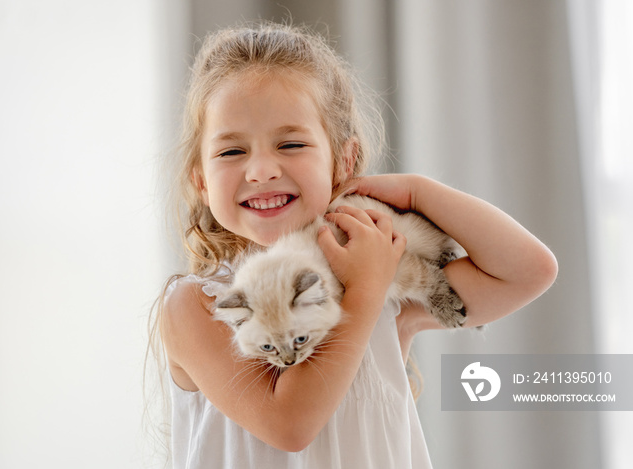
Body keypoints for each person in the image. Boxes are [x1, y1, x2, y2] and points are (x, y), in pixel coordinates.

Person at [153, 22, 558, 468]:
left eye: (290, 143)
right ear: (201, 182)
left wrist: (418, 192)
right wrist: (365, 289)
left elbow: (528, 271)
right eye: (232, 152)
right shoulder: (199, 307)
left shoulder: (378, 282)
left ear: (343, 161)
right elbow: (290, 426)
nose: (262, 170)